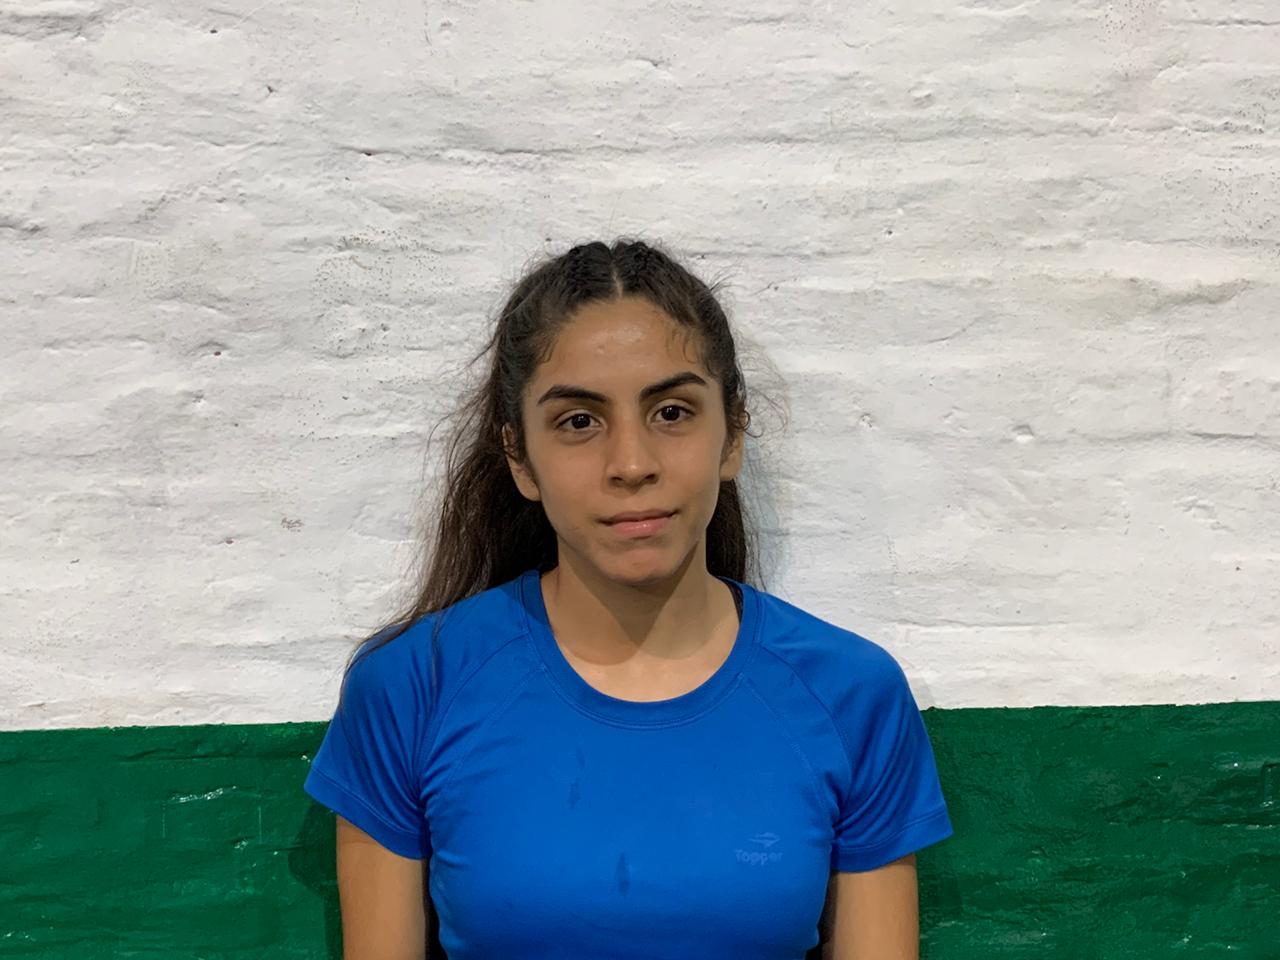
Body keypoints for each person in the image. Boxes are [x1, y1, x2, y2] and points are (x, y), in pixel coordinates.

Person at [303, 238, 953, 959]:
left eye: (671, 412)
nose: (632, 464)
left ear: (732, 435)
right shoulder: (412, 684)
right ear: (520, 457)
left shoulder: (851, 694)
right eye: (579, 421)